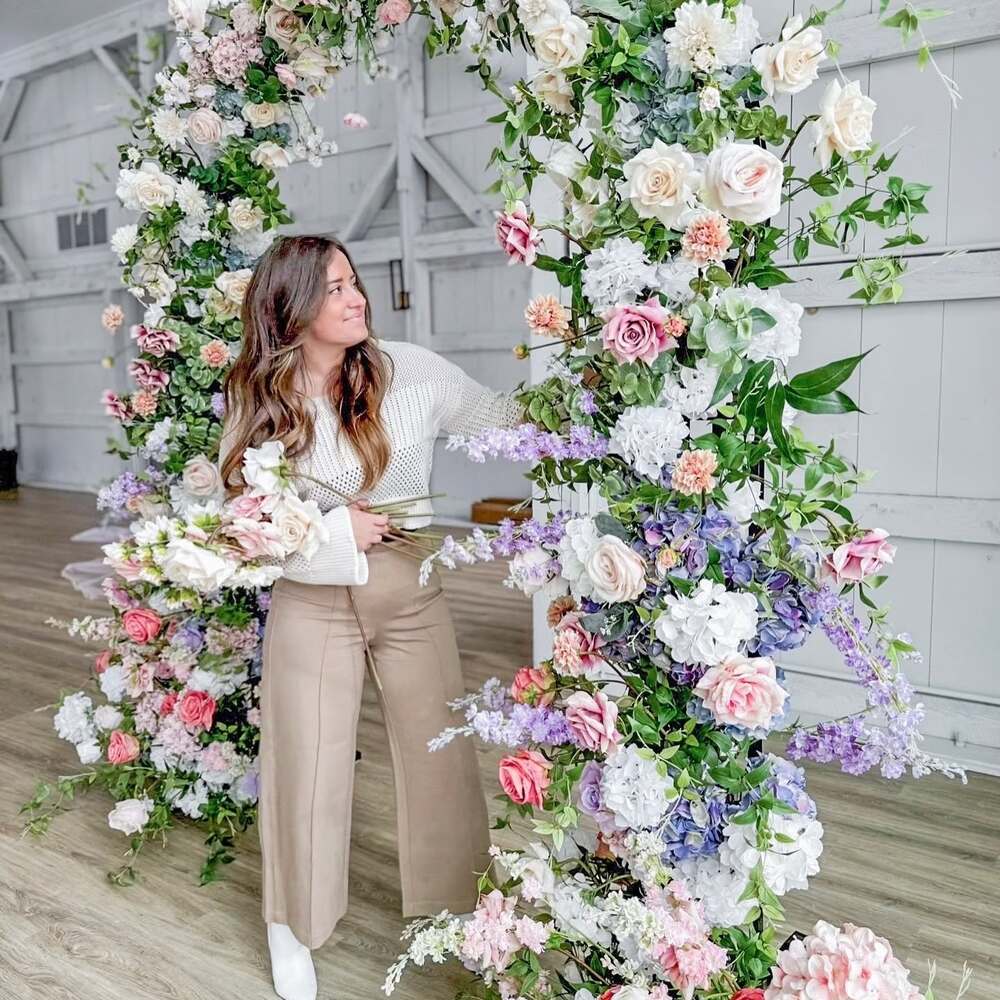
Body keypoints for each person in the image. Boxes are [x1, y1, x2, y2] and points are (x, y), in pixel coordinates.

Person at [218, 234, 525, 1000]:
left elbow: (504, 422)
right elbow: (240, 536)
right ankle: (290, 925)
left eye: (354, 283)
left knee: (440, 759)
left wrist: (589, 383)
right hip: (311, 601)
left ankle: (461, 917)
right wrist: (331, 535)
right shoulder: (257, 402)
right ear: (290, 307)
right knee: (305, 766)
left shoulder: (410, 371)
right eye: (335, 289)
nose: (356, 299)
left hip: (412, 588)